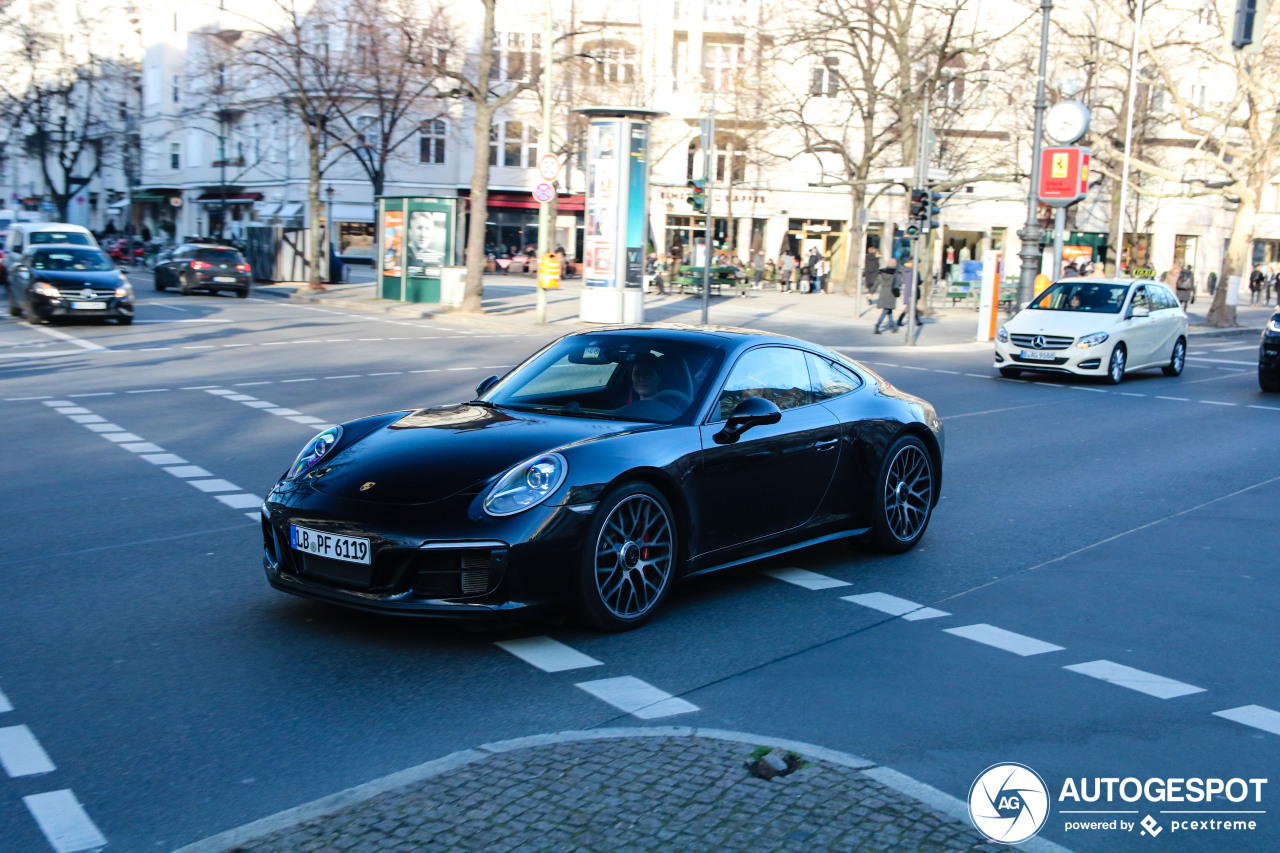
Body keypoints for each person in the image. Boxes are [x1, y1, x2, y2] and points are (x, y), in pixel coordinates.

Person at [873, 260, 898, 334]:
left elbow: (876, 284)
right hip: (891, 294)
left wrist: (871, 292)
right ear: (894, 264)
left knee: (889, 310)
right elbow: (897, 284)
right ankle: (877, 325)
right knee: (886, 310)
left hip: (883, 293)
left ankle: (892, 326)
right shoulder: (895, 274)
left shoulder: (881, 273)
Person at [896, 259, 921, 329]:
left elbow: (903, 281)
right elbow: (918, 281)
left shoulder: (905, 270)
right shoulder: (915, 271)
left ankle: (917, 321)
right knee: (910, 306)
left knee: (911, 306)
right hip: (913, 290)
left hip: (907, 290)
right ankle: (900, 320)